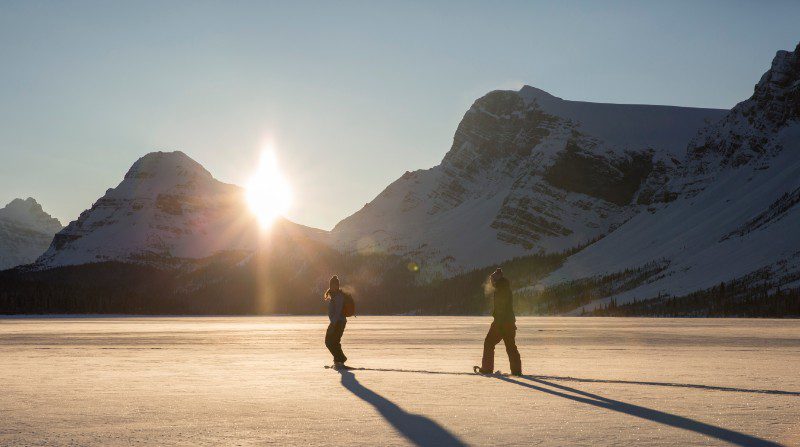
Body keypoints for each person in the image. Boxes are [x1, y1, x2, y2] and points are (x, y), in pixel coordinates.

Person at [476, 268, 522, 376]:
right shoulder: (504, 287)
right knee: (511, 346)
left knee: (489, 342)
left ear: (496, 280)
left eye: (492, 279)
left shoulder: (501, 290)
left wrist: (499, 323)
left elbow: (501, 308)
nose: (491, 282)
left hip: (501, 322)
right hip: (509, 322)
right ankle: (516, 371)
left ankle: (487, 368)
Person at [324, 275, 348, 368]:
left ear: (338, 286)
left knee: (331, 341)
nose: (333, 287)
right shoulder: (334, 295)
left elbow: (338, 311)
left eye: (335, 285)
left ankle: (340, 359)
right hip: (336, 322)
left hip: (338, 322)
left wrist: (333, 324)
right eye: (332, 285)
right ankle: (338, 359)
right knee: (332, 341)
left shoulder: (339, 296)